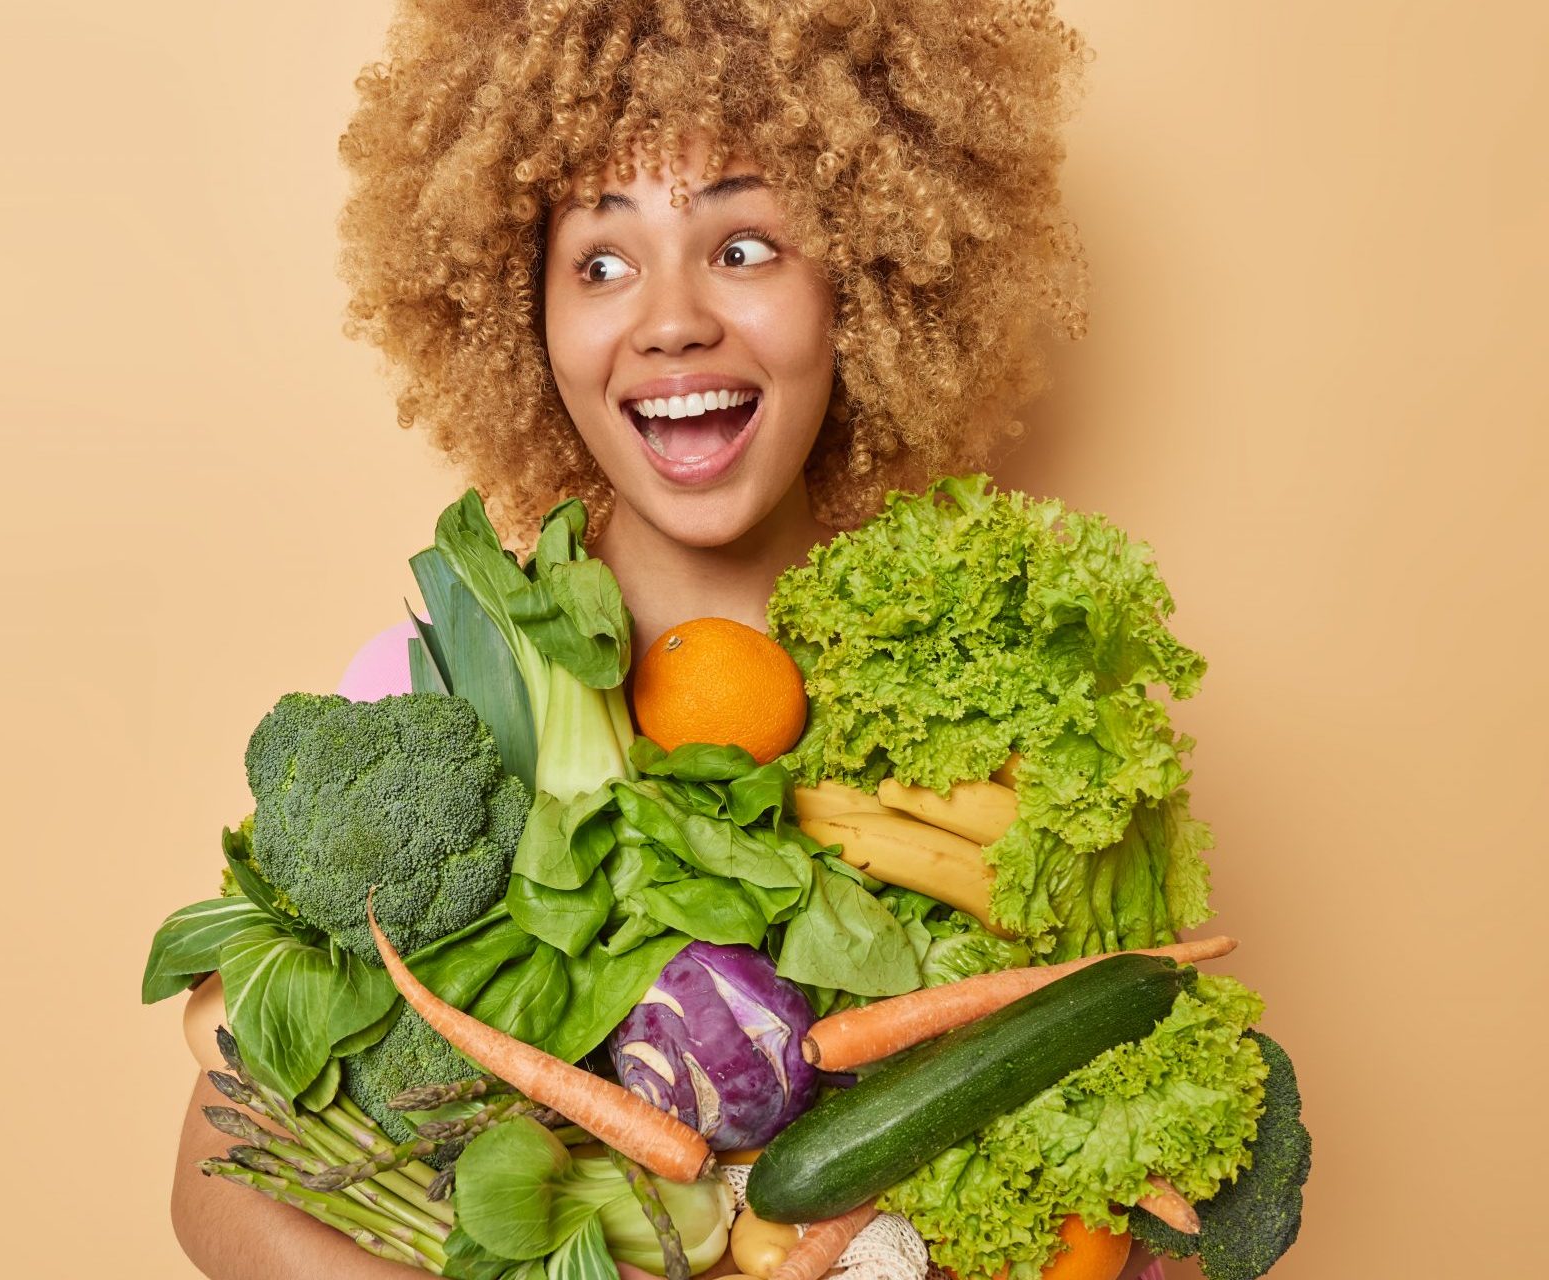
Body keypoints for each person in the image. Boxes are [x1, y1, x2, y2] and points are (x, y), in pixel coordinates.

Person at [170, 1, 1169, 1275]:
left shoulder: (999, 698)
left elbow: (1147, 1150)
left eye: (743, 246)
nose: (671, 318)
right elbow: (219, 1166)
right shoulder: (439, 693)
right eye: (599, 262)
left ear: (861, 286)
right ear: (516, 315)